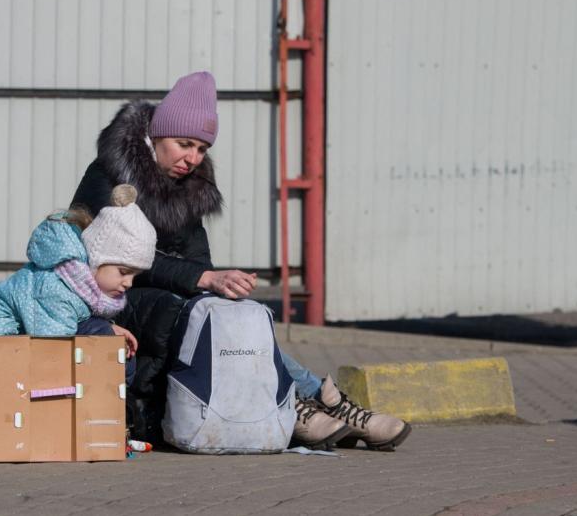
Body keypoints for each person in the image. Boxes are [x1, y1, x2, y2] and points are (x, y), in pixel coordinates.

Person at [71, 71, 411, 451]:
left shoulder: (190, 186)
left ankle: (326, 403)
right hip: (109, 299)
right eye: (184, 144)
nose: (193, 158)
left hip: (165, 298)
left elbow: (199, 259)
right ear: (156, 134)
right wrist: (204, 279)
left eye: (201, 149)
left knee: (229, 314)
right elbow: (115, 258)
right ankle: (298, 402)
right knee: (191, 309)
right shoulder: (109, 174)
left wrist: (218, 285)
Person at [0, 184, 157, 387]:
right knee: (103, 344)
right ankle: (104, 401)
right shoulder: (57, 289)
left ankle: (114, 402)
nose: (129, 283)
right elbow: (52, 352)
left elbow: (79, 318)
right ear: (96, 260)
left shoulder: (81, 284)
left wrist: (111, 329)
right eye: (123, 272)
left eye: (135, 276)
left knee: (115, 348)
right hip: (4, 339)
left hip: (41, 330)